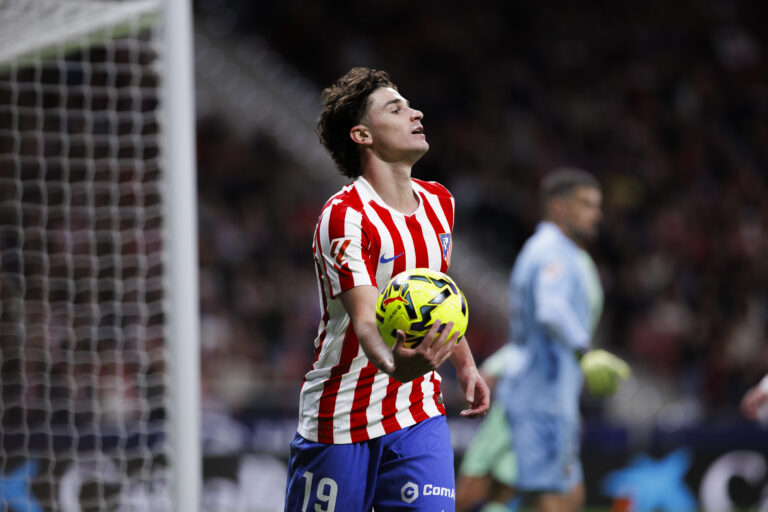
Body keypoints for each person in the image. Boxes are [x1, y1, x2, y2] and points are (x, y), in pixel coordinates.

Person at [284, 67, 490, 511]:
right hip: (342, 416)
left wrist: (466, 365)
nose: (415, 113)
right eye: (395, 108)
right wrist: (396, 366)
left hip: (418, 411)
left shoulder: (439, 202)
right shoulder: (345, 216)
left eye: (409, 105)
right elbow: (364, 320)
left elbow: (436, 296)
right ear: (362, 135)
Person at [488, 168, 631, 512]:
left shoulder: (541, 248)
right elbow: (551, 309)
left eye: (597, 205)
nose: (596, 214)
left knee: (540, 496)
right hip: (544, 399)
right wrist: (586, 350)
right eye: (585, 204)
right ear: (558, 208)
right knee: (558, 498)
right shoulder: (555, 251)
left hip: (541, 396)